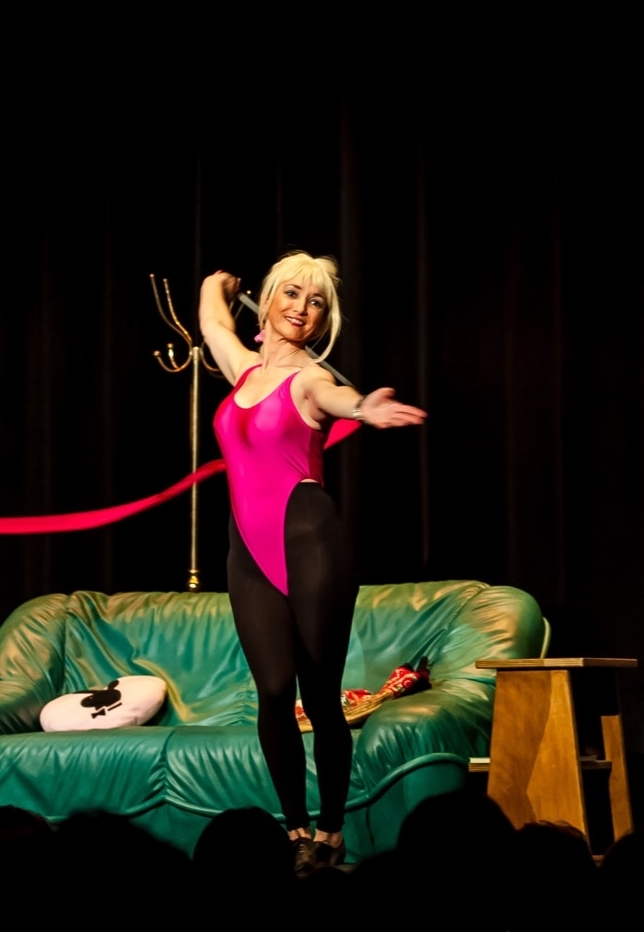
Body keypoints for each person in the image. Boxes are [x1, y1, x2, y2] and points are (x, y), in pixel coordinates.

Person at [199, 251, 426, 872]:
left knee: (319, 695)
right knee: (273, 690)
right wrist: (215, 285)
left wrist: (364, 409)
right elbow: (213, 324)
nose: (302, 308)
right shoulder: (243, 370)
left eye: (316, 301)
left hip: (310, 540)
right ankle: (295, 830)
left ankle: (330, 831)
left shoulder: (309, 378)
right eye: (292, 294)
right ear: (269, 300)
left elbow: (338, 397)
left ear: (325, 319)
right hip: (247, 548)